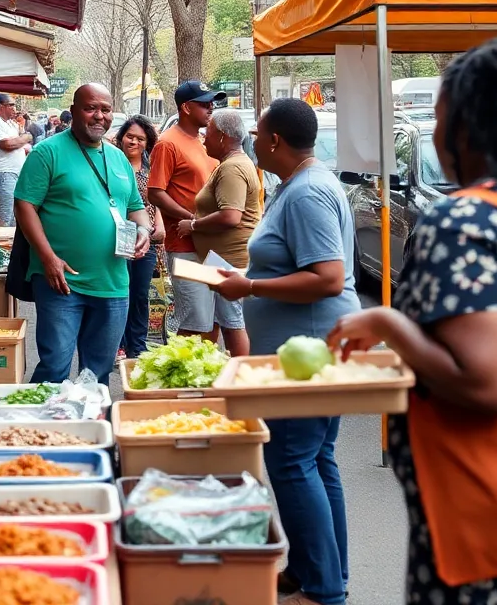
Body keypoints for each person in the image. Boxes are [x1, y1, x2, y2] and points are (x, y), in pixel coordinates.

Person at [329, 35, 497, 604]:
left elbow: (487, 381)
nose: (435, 133)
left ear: (471, 126)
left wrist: (389, 324)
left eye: (438, 118)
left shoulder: (465, 221)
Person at [213, 98, 360, 605]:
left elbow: (328, 277)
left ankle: (323, 589)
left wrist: (249, 288)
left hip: (308, 351)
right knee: (315, 459)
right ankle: (317, 572)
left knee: (295, 461)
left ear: (274, 140)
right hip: (303, 348)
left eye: (257, 132)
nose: (251, 139)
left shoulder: (307, 194)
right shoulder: (295, 186)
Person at [14, 84, 151, 383]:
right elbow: (24, 206)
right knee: (54, 368)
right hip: (61, 280)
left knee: (97, 374)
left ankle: (92, 429)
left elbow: (136, 206)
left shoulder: (118, 159)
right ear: (74, 111)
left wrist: (144, 229)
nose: (99, 116)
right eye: (91, 108)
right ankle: (43, 430)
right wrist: (48, 258)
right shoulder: (47, 152)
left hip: (113, 283)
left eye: (105, 109)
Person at [177, 108, 261, 357]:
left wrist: (192, 225)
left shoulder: (232, 168)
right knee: (219, 320)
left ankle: (241, 381)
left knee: (232, 323)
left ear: (223, 137)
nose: (204, 137)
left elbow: (231, 215)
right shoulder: (230, 164)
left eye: (209, 133)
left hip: (228, 263)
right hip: (216, 261)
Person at [148, 81, 224, 337]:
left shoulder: (205, 142)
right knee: (194, 322)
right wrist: (191, 219)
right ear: (186, 108)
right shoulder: (167, 143)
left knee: (213, 320)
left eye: (211, 102)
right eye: (204, 103)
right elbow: (155, 192)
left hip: (213, 245)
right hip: (185, 246)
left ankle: (205, 376)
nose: (210, 107)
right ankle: (181, 377)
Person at [115, 115, 165, 360]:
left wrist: (160, 227)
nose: (133, 141)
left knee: (140, 294)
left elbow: (157, 201)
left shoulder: (151, 169)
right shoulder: (110, 165)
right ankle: (118, 344)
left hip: (147, 240)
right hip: (116, 238)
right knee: (120, 291)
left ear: (147, 143)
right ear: (121, 138)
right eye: (129, 136)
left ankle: (138, 345)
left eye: (140, 138)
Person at [0, 92, 32, 226]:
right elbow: (8, 144)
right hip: (2, 174)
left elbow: (21, 137)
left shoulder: (11, 123)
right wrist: (26, 138)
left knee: (14, 217)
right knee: (5, 218)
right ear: (1, 107)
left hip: (14, 173)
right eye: (11, 105)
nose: (15, 109)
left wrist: (23, 134)